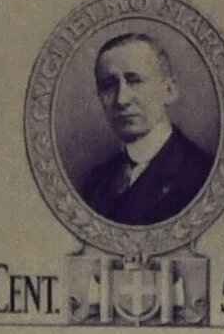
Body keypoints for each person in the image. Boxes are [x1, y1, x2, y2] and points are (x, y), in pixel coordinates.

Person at [74, 25, 213, 227]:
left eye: (135, 81)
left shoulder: (202, 175)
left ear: (169, 90)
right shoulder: (95, 183)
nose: (122, 99)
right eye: (108, 86)